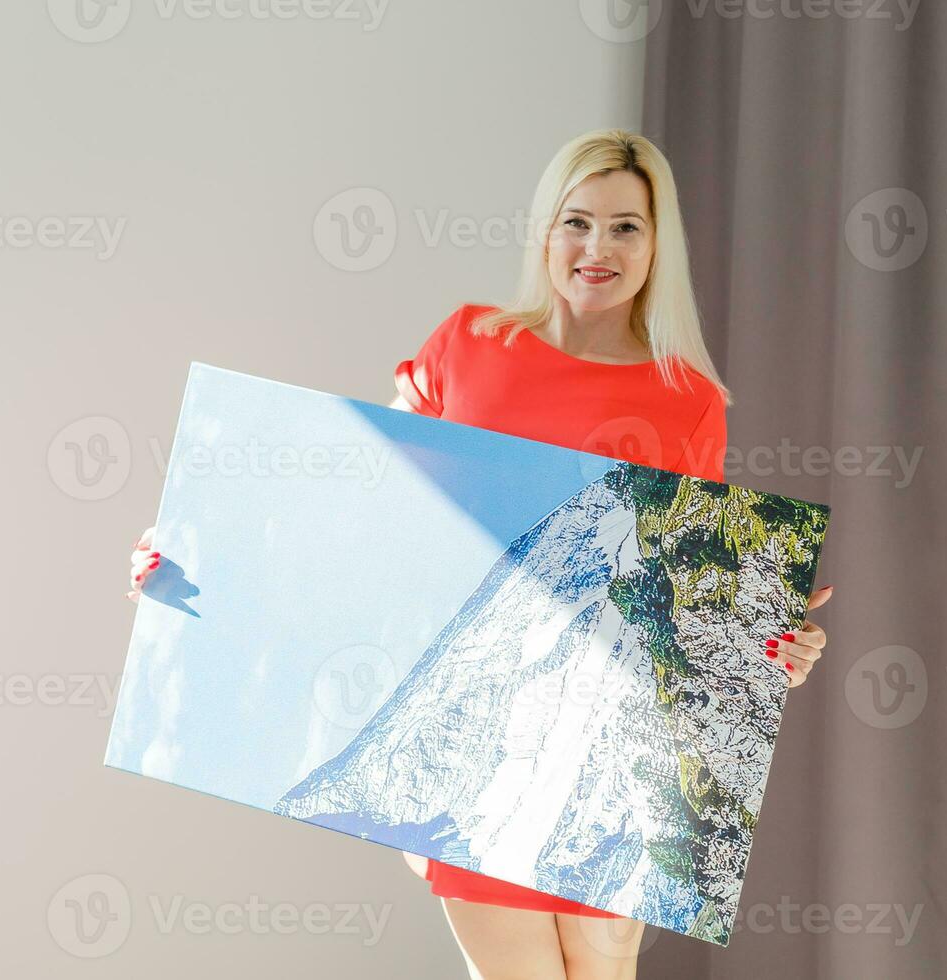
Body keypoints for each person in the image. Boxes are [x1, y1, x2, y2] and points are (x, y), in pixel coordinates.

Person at [126, 128, 833, 980]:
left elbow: (686, 591)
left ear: (658, 244)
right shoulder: (469, 345)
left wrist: (773, 649)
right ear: (545, 230)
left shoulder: (687, 400)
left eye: (626, 227)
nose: (596, 248)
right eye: (577, 220)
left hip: (610, 750)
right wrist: (202, 548)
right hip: (468, 741)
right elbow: (356, 500)